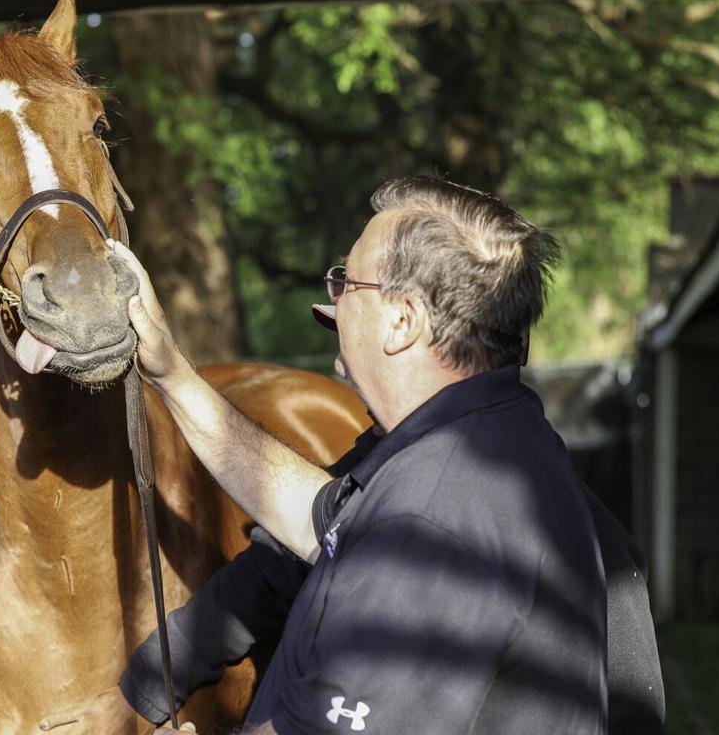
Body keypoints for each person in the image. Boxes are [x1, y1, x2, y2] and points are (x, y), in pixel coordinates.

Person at [42, 176, 662, 734]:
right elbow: (315, 518)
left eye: (348, 281)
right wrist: (172, 374)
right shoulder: (474, 441)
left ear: (403, 322)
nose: (333, 298)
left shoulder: (432, 522)